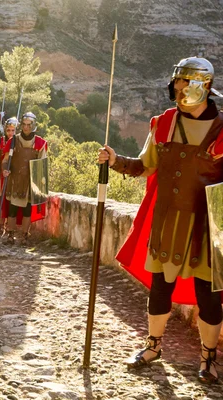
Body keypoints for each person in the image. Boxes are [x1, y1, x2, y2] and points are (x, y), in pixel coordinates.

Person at [98, 57, 223, 384]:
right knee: (160, 288)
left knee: (208, 296)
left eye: (185, 84)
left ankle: (208, 358)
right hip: (168, 220)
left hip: (206, 229)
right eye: (176, 83)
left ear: (204, 87)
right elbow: (145, 166)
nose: (178, 90)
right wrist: (116, 161)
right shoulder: (165, 123)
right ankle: (152, 347)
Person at [0, 112, 48, 245]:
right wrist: (5, 169)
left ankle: (25, 235)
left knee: (27, 209)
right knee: (12, 209)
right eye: (24, 124)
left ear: (33, 126)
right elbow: (5, 160)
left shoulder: (40, 143)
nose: (26, 127)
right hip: (15, 179)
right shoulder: (13, 141)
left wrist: (39, 187)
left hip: (29, 181)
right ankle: (10, 234)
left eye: (29, 125)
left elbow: (42, 165)